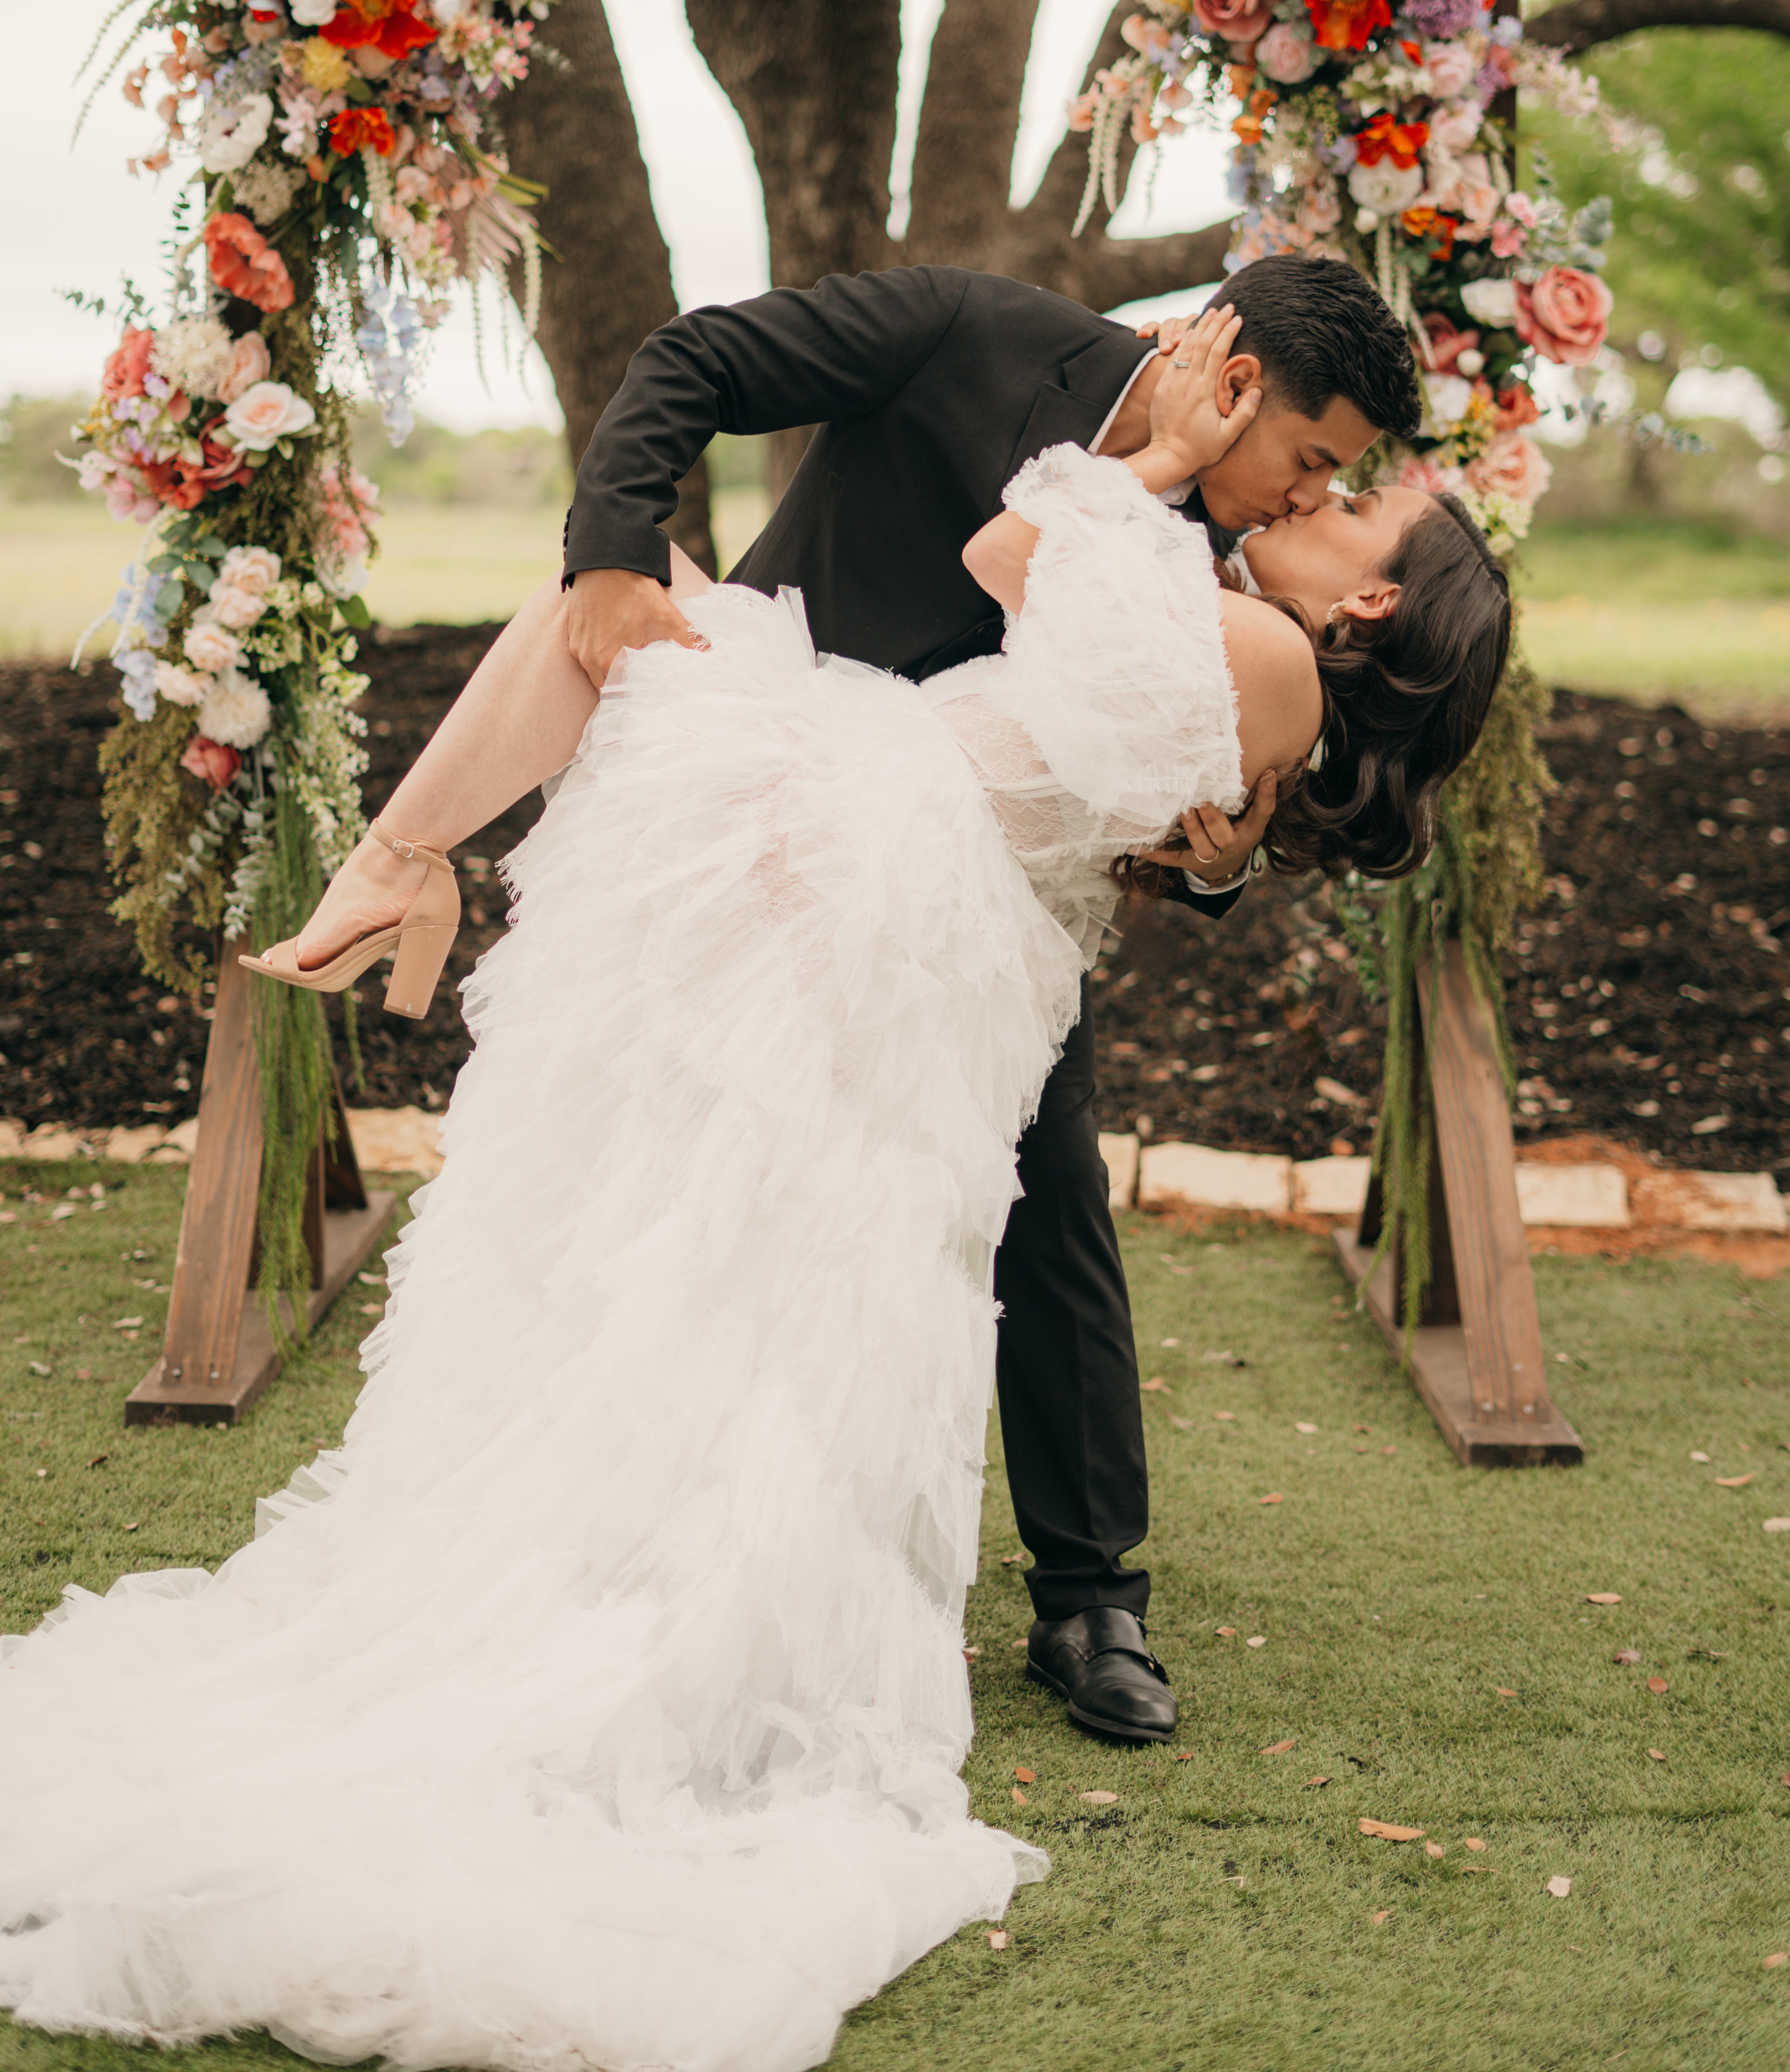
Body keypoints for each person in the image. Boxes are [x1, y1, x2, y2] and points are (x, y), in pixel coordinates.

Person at [1, 310, 1510, 2072]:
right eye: (1318, 466)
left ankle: (400, 864)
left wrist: (1171, 461)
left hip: (895, 862)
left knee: (817, 1191)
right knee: (641, 654)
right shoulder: (1115, 471)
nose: (1314, 495)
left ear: (1375, 606)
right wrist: (1173, 502)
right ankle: (403, 866)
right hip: (895, 850)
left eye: (1343, 500)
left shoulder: (1260, 632)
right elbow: (1063, 647)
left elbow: (1017, 557)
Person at [266, 252, 1429, 1750]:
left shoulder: (1227, 546)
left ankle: (1090, 1599)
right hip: (773, 802)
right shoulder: (971, 329)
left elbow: (1165, 764)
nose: (1297, 498)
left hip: (980, 901)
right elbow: (694, 361)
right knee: (690, 1191)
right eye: (1311, 463)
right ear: (1246, 384)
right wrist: (617, 550)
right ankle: (644, 1536)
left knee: (1053, 1198)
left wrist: (1216, 865)